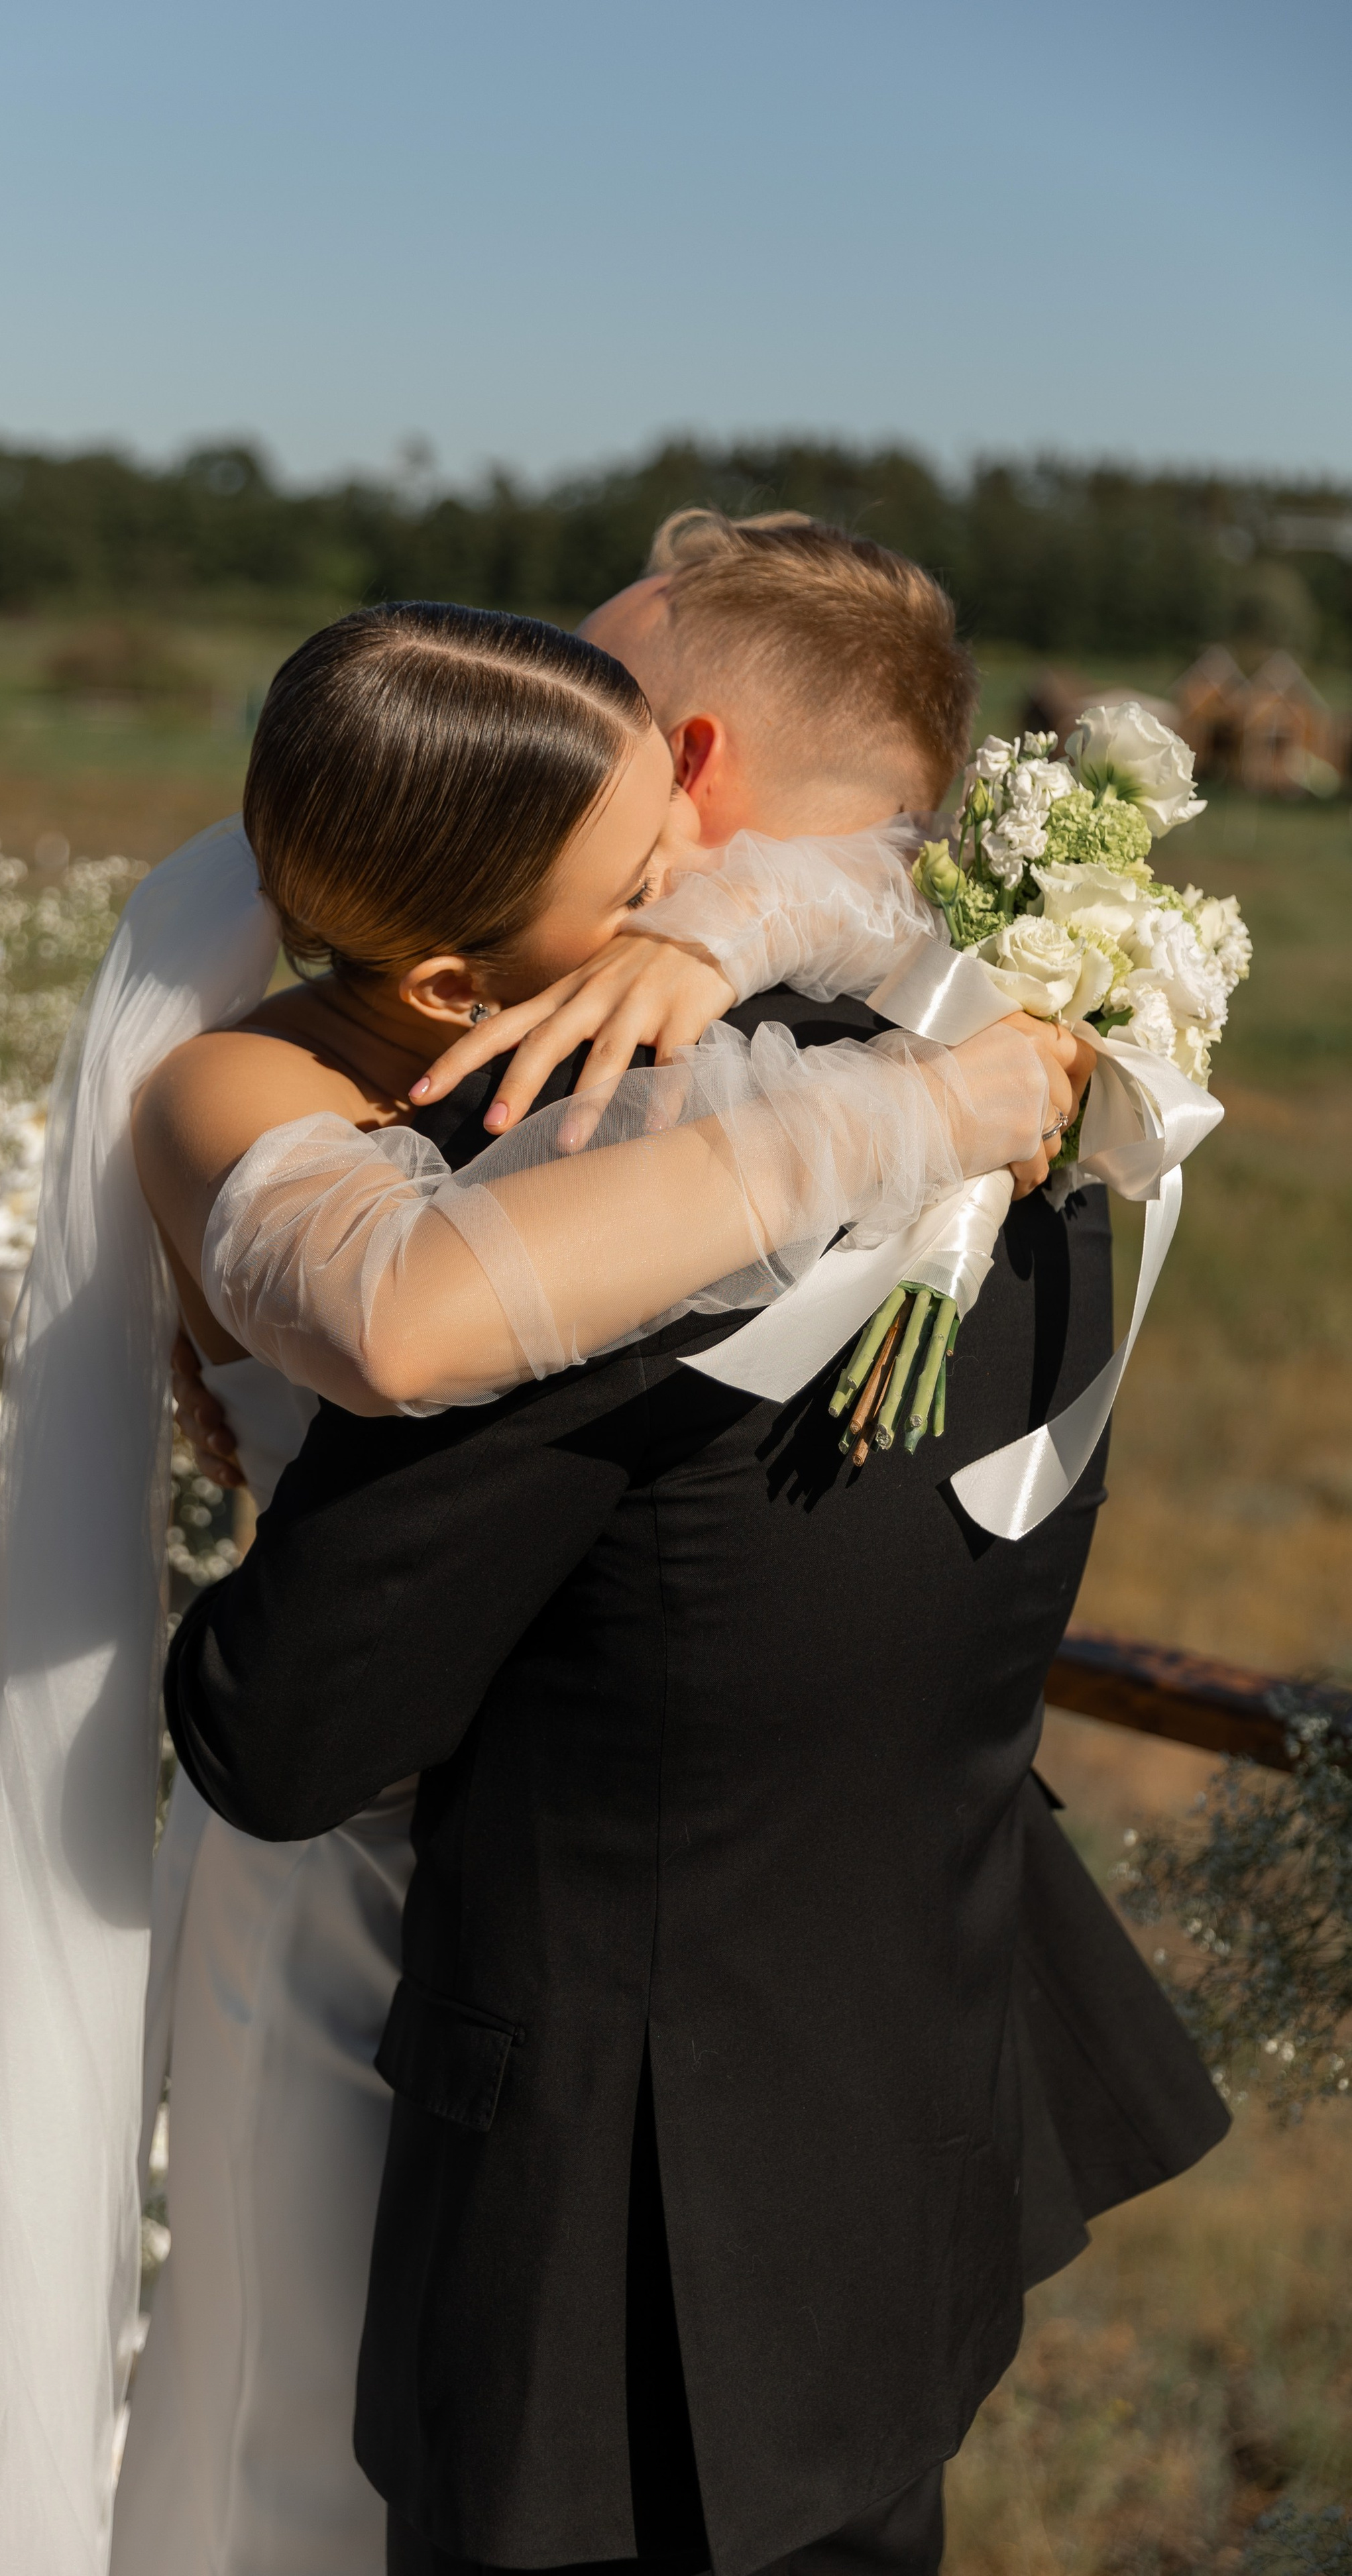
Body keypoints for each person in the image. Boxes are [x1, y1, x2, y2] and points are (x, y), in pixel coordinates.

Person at [0, 587, 1067, 2576]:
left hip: (581, 1878)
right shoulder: (235, 1094)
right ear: (442, 979)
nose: (710, 864)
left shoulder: (610, 987)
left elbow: (850, 870)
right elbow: (417, 1321)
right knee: (311, 2442)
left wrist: (724, 927)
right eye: (651, 860)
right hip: (343, 1879)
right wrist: (914, 1114)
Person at [155, 533, 1225, 2575]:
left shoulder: (610, 1165)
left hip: (613, 2268)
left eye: (601, 694)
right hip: (904, 2164)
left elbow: (282, 1736)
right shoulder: (1069, 1080)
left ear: (684, 761)